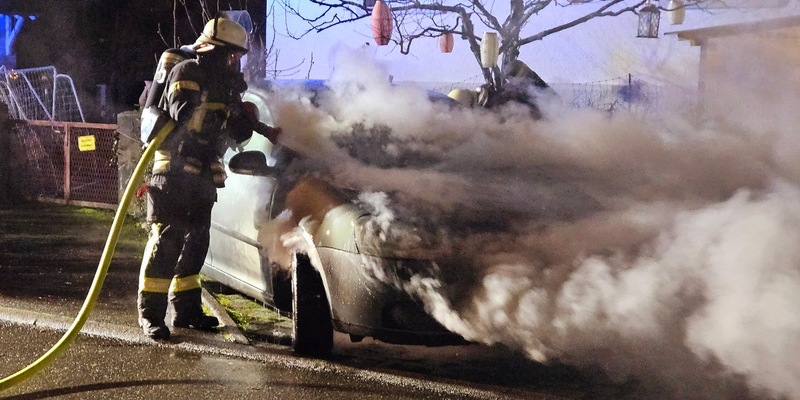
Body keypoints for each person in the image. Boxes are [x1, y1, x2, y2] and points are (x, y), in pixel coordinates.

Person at [137, 17, 281, 340]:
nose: (236, 63)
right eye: (232, 56)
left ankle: (186, 311)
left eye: (239, 58)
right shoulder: (186, 73)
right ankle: (151, 316)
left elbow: (233, 136)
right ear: (214, 51)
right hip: (172, 171)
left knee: (197, 242)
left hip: (201, 173)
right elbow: (185, 117)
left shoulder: (223, 86)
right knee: (167, 243)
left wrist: (242, 121)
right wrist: (223, 109)